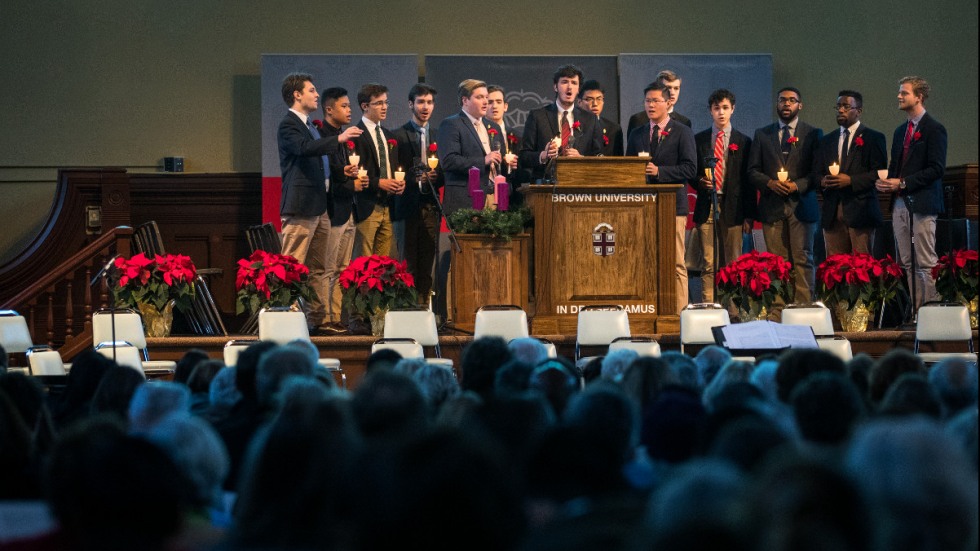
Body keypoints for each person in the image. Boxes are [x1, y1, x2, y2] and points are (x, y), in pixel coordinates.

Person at [277, 72, 361, 330]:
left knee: (320, 267)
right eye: (311, 90)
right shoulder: (289, 124)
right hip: (301, 205)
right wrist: (338, 139)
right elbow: (303, 149)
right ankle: (286, 320)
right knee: (292, 265)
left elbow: (318, 160)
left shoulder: (310, 126)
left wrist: (340, 172)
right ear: (297, 95)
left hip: (320, 205)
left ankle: (318, 320)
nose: (316, 94)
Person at [625, 81, 697, 314]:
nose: (650, 105)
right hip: (642, 207)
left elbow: (690, 169)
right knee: (643, 260)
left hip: (673, 206)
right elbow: (628, 168)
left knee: (676, 262)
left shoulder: (682, 131)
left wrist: (660, 172)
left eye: (655, 100)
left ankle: (680, 315)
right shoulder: (636, 134)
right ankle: (646, 310)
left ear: (668, 102)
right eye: (647, 101)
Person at [876, 76, 947, 308]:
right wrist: (886, 183)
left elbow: (936, 169)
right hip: (899, 205)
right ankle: (918, 312)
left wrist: (903, 183)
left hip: (923, 203)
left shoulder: (934, 129)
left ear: (919, 97)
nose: (899, 96)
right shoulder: (900, 132)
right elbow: (896, 168)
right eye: (899, 92)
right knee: (908, 262)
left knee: (925, 261)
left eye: (904, 93)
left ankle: (932, 313)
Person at [747, 86, 823, 303]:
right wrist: (770, 183)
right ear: (777, 104)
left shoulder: (813, 133)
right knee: (777, 263)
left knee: (803, 258)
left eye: (792, 100)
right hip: (772, 207)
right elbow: (752, 172)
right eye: (782, 100)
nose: (786, 104)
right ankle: (779, 310)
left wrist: (796, 185)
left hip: (802, 206)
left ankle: (804, 308)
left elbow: (817, 173)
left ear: (800, 105)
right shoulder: (762, 134)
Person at [691, 89, 754, 302]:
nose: (721, 113)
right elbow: (691, 172)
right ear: (710, 111)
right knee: (709, 262)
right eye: (716, 108)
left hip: (733, 208)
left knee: (733, 263)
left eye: (725, 108)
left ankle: (734, 310)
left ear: (733, 110)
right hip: (706, 205)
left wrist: (749, 215)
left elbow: (748, 181)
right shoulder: (699, 139)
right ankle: (709, 308)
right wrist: (700, 181)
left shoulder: (743, 141)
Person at [813, 90, 887, 255]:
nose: (840, 110)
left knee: (861, 267)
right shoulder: (827, 140)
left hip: (861, 211)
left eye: (846, 106)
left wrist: (851, 181)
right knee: (836, 269)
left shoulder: (873, 138)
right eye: (838, 106)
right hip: (832, 212)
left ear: (858, 111)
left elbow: (881, 173)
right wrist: (822, 181)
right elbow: (816, 173)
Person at [318, 87, 365, 334]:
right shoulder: (323, 136)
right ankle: (324, 317)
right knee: (327, 267)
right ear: (329, 109)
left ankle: (336, 315)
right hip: (333, 210)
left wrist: (354, 178)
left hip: (349, 209)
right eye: (344, 106)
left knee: (342, 268)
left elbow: (342, 170)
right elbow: (327, 176)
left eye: (349, 106)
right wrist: (350, 182)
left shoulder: (342, 136)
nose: (349, 110)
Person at [392, 84, 444, 305]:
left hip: (431, 207)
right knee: (407, 263)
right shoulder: (397, 136)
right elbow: (394, 173)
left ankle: (424, 308)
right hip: (407, 207)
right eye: (421, 102)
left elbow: (445, 173)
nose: (426, 107)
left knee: (427, 263)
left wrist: (435, 178)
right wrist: (414, 180)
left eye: (430, 102)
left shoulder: (440, 135)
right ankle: (406, 308)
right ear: (411, 104)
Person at [436, 79, 514, 215]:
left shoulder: (493, 127)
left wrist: (507, 163)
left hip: (495, 198)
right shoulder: (451, 124)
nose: (485, 102)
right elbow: (449, 161)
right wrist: (483, 161)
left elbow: (497, 164)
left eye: (486, 97)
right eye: (479, 97)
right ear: (465, 100)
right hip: (467, 200)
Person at [519, 64, 603, 182]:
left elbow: (599, 158)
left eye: (574, 83)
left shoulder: (591, 120)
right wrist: (543, 155)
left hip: (580, 186)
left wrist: (582, 159)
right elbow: (523, 158)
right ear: (555, 87)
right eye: (564, 82)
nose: (569, 87)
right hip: (546, 187)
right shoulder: (538, 116)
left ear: (578, 89)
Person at [352, 83, 405, 258]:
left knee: (384, 263)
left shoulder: (389, 136)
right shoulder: (356, 135)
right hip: (367, 205)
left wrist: (399, 183)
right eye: (379, 103)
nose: (384, 107)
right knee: (364, 260)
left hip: (388, 206)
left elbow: (393, 168)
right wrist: (379, 182)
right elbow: (355, 172)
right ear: (364, 106)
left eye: (386, 102)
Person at [625, 69, 692, 138]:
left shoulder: (684, 122)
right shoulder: (638, 120)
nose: (672, 93)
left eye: (676, 88)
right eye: (668, 88)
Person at [578, 79, 623, 156]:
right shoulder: (573, 125)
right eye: (589, 99)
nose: (595, 104)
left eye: (599, 99)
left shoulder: (614, 129)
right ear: (579, 102)